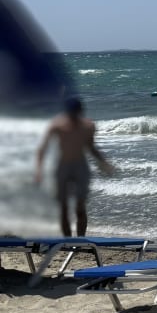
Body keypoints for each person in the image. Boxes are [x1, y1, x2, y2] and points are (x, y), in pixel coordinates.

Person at [34, 96, 114, 236]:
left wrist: (103, 162)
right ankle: (67, 240)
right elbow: (43, 149)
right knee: (64, 207)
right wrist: (39, 171)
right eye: (71, 112)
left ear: (80, 111)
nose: (73, 116)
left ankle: (80, 240)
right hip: (63, 166)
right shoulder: (57, 125)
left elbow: (90, 147)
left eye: (76, 112)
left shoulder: (88, 126)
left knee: (80, 207)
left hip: (80, 166)